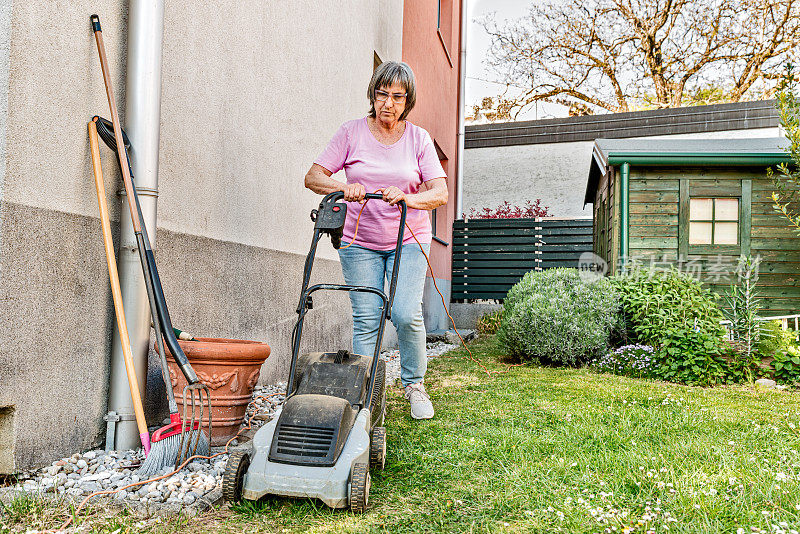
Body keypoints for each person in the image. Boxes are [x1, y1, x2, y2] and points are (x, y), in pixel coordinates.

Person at [304, 61, 448, 420]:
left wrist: (408, 197)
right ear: (373, 94)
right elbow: (313, 176)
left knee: (404, 313)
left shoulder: (419, 139)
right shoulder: (351, 132)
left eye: (397, 97)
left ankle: (414, 385)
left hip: (409, 238)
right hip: (359, 240)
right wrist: (344, 187)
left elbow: (440, 192)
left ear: (407, 100)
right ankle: (363, 394)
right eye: (382, 94)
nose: (388, 103)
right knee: (367, 318)